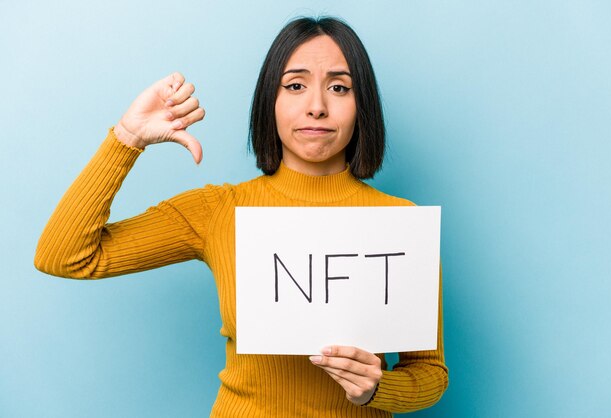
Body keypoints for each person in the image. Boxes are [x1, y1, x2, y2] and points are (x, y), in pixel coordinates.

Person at [35, 16, 448, 417]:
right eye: (296, 85)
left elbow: (430, 373)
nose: (317, 107)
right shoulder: (220, 210)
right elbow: (64, 255)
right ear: (270, 100)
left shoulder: (400, 223)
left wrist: (376, 389)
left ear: (362, 107)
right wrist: (128, 138)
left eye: (339, 87)